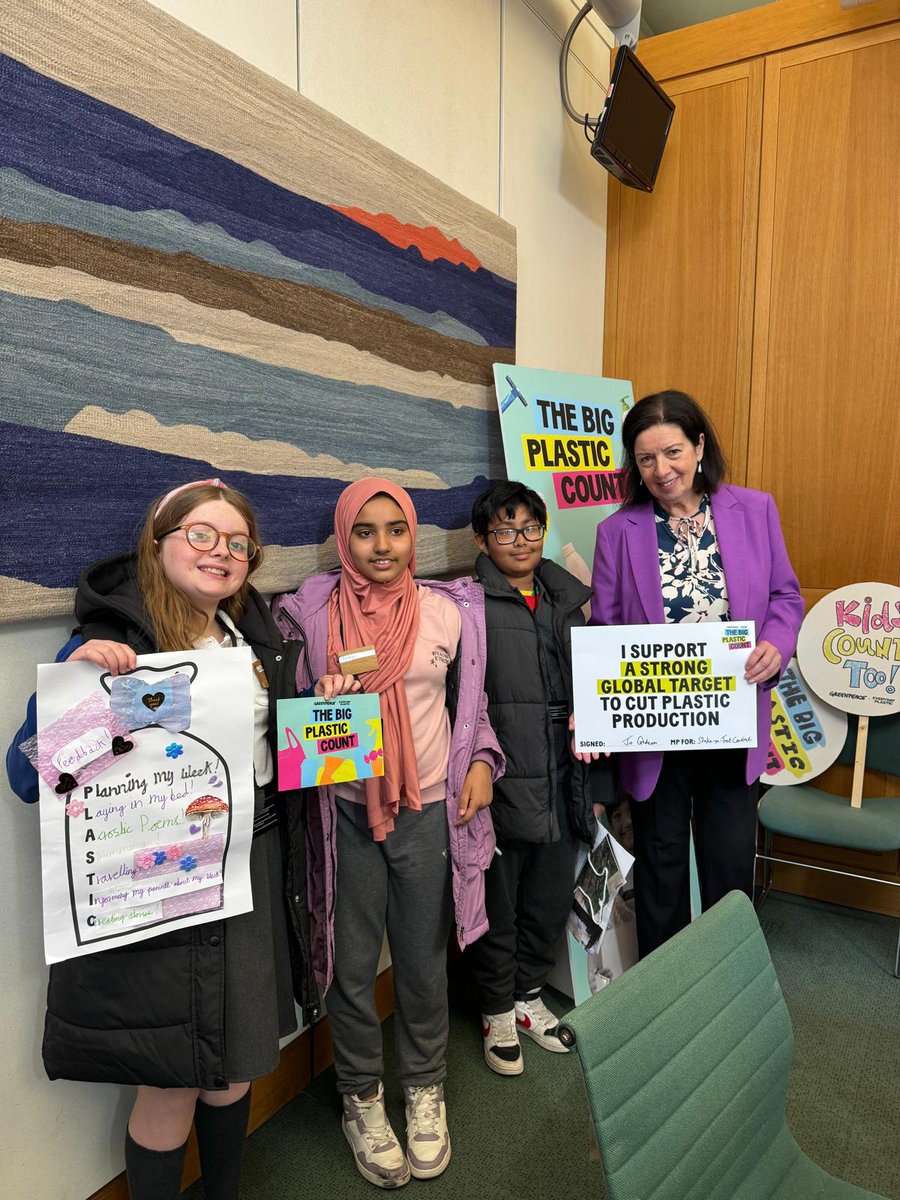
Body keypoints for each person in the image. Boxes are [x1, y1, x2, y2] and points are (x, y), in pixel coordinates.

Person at [6, 478, 316, 1200]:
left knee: (236, 1064)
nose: (222, 552)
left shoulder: (255, 635)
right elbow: (32, 778)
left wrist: (321, 708)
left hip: (254, 868)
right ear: (158, 543)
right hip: (167, 885)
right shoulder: (118, 640)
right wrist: (81, 695)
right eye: (201, 535)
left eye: (238, 543)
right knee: (173, 1080)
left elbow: (278, 760)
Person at [272, 477, 503, 1190]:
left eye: (395, 529)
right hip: (342, 809)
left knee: (421, 958)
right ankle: (362, 1099)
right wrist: (315, 700)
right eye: (365, 531)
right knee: (347, 962)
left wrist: (486, 763)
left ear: (412, 536)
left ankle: (425, 1089)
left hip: (430, 807)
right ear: (344, 538)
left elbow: (473, 706)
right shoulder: (306, 614)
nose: (381, 545)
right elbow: (279, 710)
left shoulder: (448, 613)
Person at [590, 391, 803, 957]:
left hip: (731, 726)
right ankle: (668, 1006)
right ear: (633, 465)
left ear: (700, 446)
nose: (662, 471)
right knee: (660, 875)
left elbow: (785, 596)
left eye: (674, 452)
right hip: (652, 730)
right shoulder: (618, 532)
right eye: (645, 459)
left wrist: (777, 646)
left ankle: (728, 991)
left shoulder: (754, 510)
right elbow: (607, 632)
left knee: (729, 871)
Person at [465, 481, 610, 1075]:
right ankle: (496, 1010)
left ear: (543, 532)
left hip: (566, 772)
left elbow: (604, 681)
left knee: (549, 897)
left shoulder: (568, 598)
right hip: (499, 777)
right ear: (482, 540)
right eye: (504, 530)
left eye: (530, 528)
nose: (520, 541)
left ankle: (528, 998)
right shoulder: (466, 603)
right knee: (499, 901)